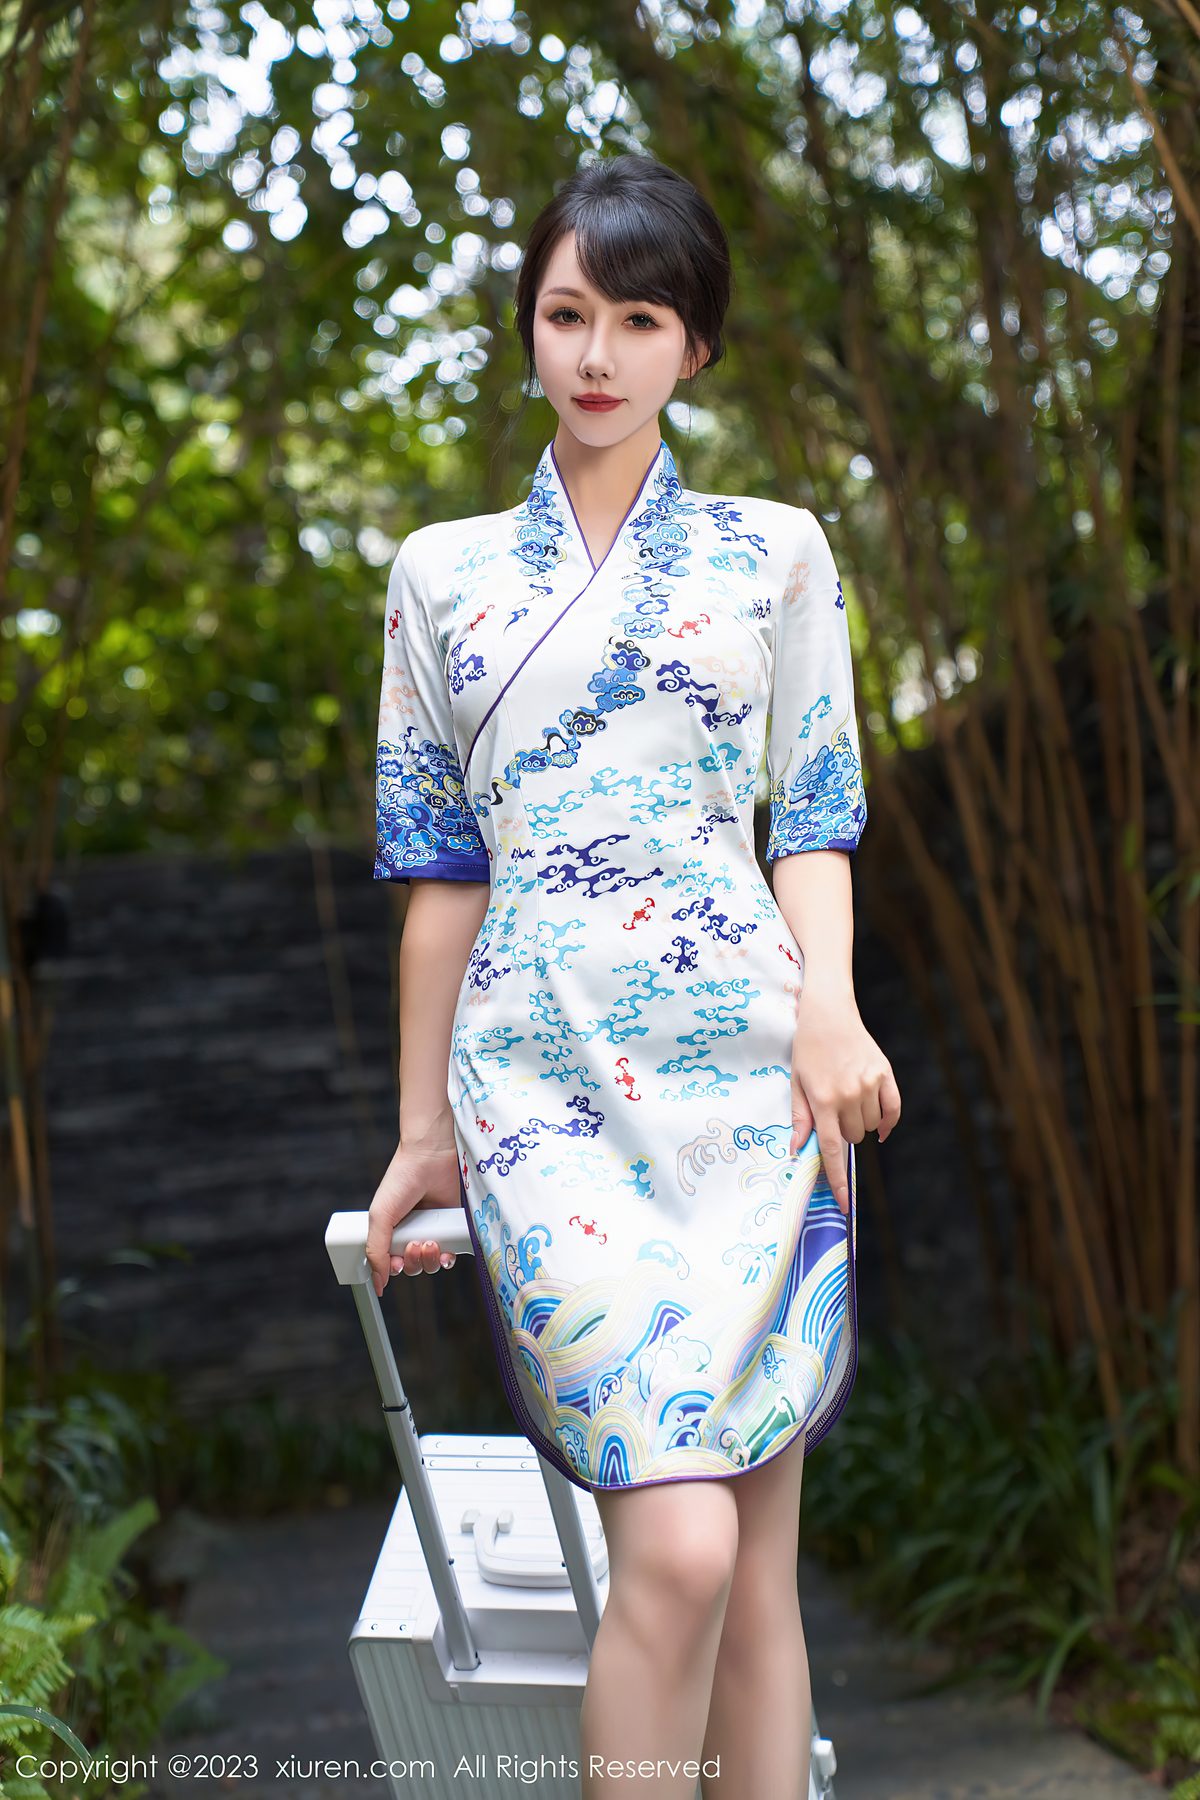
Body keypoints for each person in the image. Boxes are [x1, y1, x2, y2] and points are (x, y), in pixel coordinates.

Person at [365, 153, 901, 1800]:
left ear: (697, 346)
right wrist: (423, 1132)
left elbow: (814, 819)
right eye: (566, 313)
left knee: (758, 1581)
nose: (597, 354)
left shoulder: (777, 552)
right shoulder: (440, 573)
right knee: (678, 1550)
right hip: (546, 1101)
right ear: (529, 328)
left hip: (753, 1081)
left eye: (641, 320)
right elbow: (442, 877)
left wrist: (831, 1014)